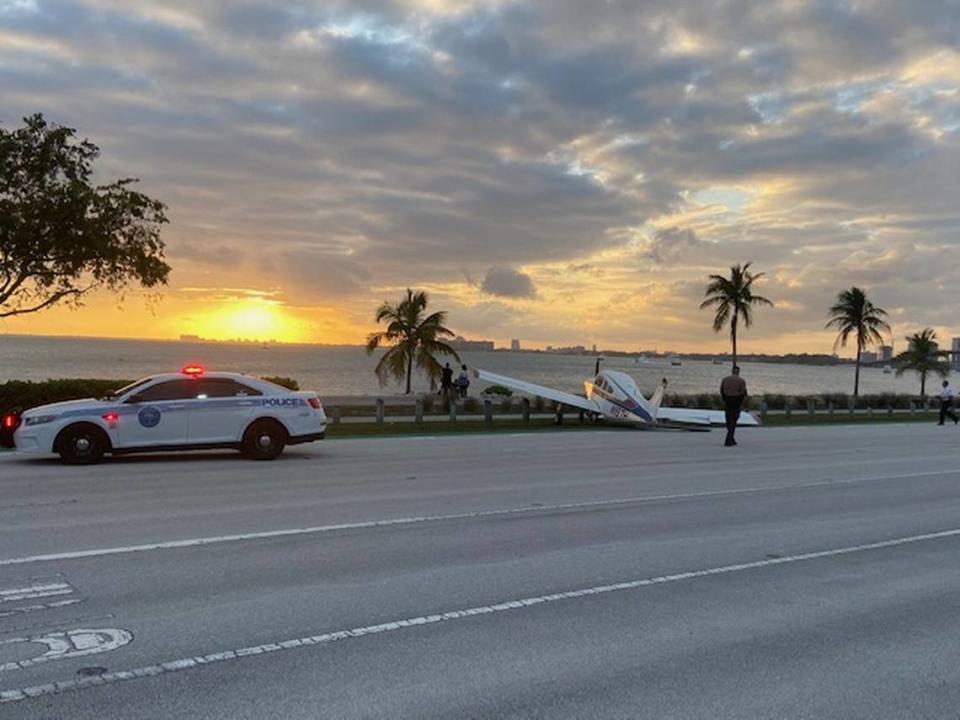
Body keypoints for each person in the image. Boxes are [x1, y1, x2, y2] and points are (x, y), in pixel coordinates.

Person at [720, 366, 747, 447]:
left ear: (732, 371)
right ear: (738, 371)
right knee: (733, 420)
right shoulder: (741, 380)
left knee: (728, 419)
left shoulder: (725, 379)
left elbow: (721, 390)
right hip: (736, 400)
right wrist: (741, 402)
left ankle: (731, 438)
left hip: (728, 400)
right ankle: (729, 438)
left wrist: (725, 399)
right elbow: (743, 393)